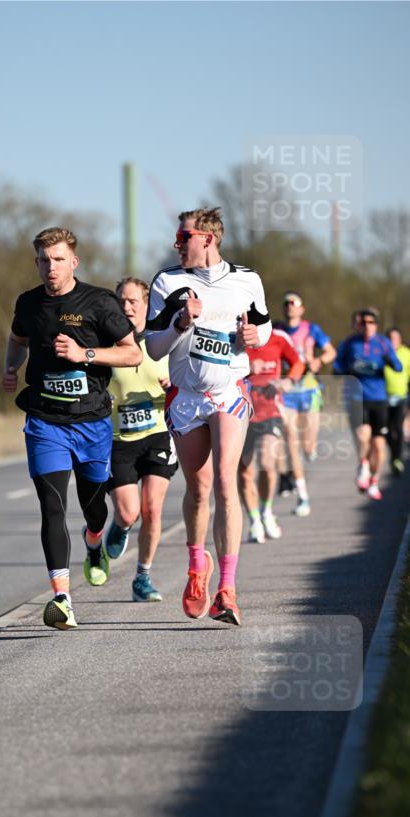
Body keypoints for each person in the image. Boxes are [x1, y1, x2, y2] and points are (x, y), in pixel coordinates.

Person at [2, 227, 142, 630]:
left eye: (59, 260)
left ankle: (94, 541)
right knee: (52, 506)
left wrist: (85, 354)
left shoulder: (99, 302)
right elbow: (17, 339)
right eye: (44, 260)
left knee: (95, 509)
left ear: (73, 262)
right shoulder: (29, 303)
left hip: (91, 422)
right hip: (45, 420)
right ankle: (62, 598)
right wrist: (10, 366)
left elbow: (132, 353)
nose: (51, 267)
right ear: (36, 263)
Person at [146, 207, 272, 626]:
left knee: (224, 481)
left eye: (184, 237)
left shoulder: (247, 280)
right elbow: (154, 348)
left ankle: (227, 590)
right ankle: (198, 566)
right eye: (177, 237)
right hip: (186, 398)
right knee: (198, 490)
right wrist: (181, 323)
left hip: (228, 392)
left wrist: (254, 336)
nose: (177, 244)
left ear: (208, 239)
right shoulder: (167, 282)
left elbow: (263, 327)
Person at [104, 277, 178, 602]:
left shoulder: (163, 342)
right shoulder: (107, 344)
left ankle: (142, 577)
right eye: (121, 301)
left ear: (147, 305)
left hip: (158, 434)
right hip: (119, 439)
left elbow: (187, 378)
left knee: (152, 508)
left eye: (133, 301)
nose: (127, 307)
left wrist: (173, 384)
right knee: (128, 513)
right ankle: (120, 527)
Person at [274, 292, 336, 516]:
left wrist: (319, 360)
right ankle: (303, 496)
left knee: (308, 447)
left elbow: (331, 352)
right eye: (286, 303)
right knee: (291, 439)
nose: (290, 306)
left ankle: (309, 452)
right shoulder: (276, 329)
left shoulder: (312, 329)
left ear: (301, 309)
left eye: (294, 303)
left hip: (309, 390)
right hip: (288, 392)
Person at [240, 330, 305, 542]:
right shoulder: (233, 335)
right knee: (245, 473)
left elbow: (298, 363)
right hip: (240, 413)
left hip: (270, 411)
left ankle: (266, 510)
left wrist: (288, 381)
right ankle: (254, 521)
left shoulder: (277, 338)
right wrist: (246, 368)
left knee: (267, 465)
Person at [333, 306, 402, 501]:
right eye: (363, 322)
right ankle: (363, 466)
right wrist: (345, 370)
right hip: (358, 398)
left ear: (376, 325)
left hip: (379, 398)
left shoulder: (383, 343)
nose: (367, 326)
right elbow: (337, 367)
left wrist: (389, 361)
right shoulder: (350, 343)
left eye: (371, 322)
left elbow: (398, 367)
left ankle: (374, 481)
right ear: (359, 325)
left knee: (379, 445)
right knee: (363, 435)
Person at [384, 328, 410, 474]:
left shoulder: (407, 353)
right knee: (385, 429)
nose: (393, 341)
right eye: (390, 338)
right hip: (383, 396)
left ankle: (397, 458)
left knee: (397, 427)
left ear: (400, 339)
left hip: (401, 396)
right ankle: (394, 454)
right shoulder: (381, 353)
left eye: (396, 338)